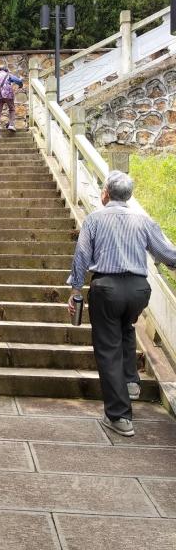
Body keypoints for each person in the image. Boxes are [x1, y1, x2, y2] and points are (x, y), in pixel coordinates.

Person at [67, 170, 176, 437]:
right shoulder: (144, 221)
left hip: (107, 288)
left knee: (107, 348)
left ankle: (119, 416)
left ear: (105, 193)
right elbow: (168, 254)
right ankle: (130, 381)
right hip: (138, 290)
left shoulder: (95, 219)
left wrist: (76, 289)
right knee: (126, 326)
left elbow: (82, 256)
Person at [0, 66, 24, 139]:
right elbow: (18, 81)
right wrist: (21, 86)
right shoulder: (8, 75)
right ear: (6, 70)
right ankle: (11, 125)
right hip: (7, 94)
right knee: (12, 109)